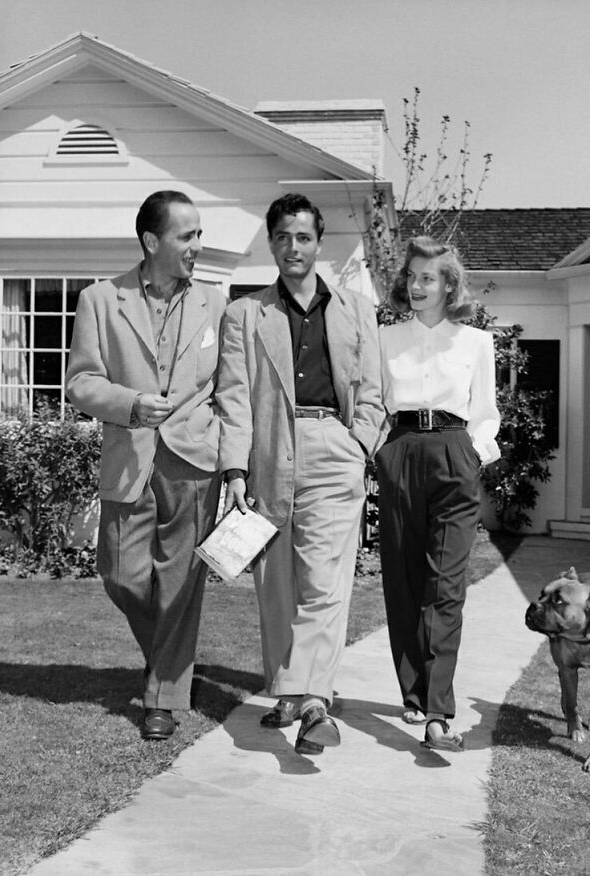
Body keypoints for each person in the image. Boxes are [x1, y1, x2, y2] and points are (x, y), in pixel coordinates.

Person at [216, 193, 384, 755]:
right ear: (271, 242)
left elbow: (374, 390)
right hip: (270, 452)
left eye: (304, 237)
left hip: (334, 446)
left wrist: (357, 442)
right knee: (277, 583)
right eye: (284, 237)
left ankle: (313, 702)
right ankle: (287, 693)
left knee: (325, 583)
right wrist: (235, 469)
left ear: (319, 243)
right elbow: (234, 398)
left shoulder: (357, 309)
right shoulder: (244, 314)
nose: (294, 247)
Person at [66, 190, 225, 741]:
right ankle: (168, 658)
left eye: (199, 234)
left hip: (195, 458)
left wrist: (234, 461)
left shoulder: (216, 303)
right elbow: (80, 382)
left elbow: (229, 386)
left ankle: (163, 698)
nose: (197, 245)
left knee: (180, 583)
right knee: (121, 574)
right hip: (129, 453)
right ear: (152, 241)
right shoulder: (99, 300)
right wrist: (131, 404)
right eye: (187, 235)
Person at [375, 236, 500, 752]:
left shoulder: (476, 343)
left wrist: (473, 453)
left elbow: (486, 412)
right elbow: (373, 403)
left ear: (449, 285)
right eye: (412, 276)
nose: (417, 286)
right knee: (404, 579)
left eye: (428, 278)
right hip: (401, 450)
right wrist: (381, 452)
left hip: (454, 451)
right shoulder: (385, 339)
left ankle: (438, 710)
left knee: (445, 586)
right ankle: (413, 690)